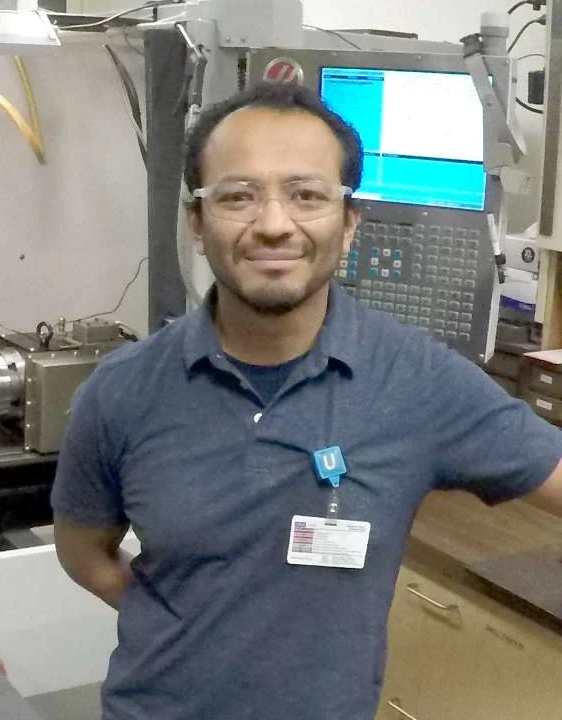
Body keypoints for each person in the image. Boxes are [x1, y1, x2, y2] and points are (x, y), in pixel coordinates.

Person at [51, 81, 562, 720]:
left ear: (349, 224)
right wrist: (195, 628)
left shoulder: (416, 379)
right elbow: (84, 554)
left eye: (306, 195)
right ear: (197, 223)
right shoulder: (124, 389)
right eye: (238, 196)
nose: (273, 224)